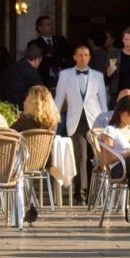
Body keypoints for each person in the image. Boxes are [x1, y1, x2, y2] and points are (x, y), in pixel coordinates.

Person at [54, 43, 108, 204]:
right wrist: (53, 119)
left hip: (94, 119)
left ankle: (93, 192)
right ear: (74, 57)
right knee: (81, 156)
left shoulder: (98, 76)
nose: (83, 58)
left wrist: (106, 122)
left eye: (86, 55)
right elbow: (59, 98)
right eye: (80, 55)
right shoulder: (65, 75)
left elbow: (102, 100)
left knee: (95, 156)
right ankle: (81, 194)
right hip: (76, 120)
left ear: (90, 57)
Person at [26, 15, 72, 88]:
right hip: (44, 81)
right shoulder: (34, 44)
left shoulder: (61, 40)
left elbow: (70, 56)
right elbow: (34, 65)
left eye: (52, 24)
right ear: (40, 28)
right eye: (48, 25)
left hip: (63, 79)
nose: (51, 27)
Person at [0, 43, 44, 108]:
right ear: (37, 59)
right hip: (20, 107)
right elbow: (42, 92)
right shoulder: (32, 73)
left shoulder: (14, 66)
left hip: (5, 105)